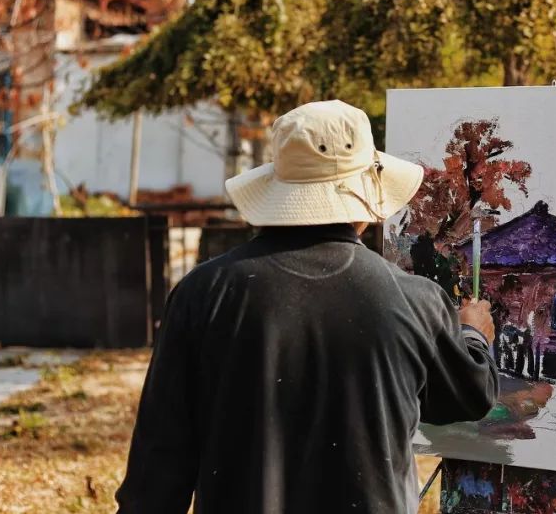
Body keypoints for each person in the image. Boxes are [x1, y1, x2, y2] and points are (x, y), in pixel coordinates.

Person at [116, 100, 498, 514]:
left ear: (278, 193)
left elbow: (155, 478)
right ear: (367, 202)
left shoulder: (201, 294)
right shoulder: (414, 299)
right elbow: (468, 397)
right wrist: (474, 334)